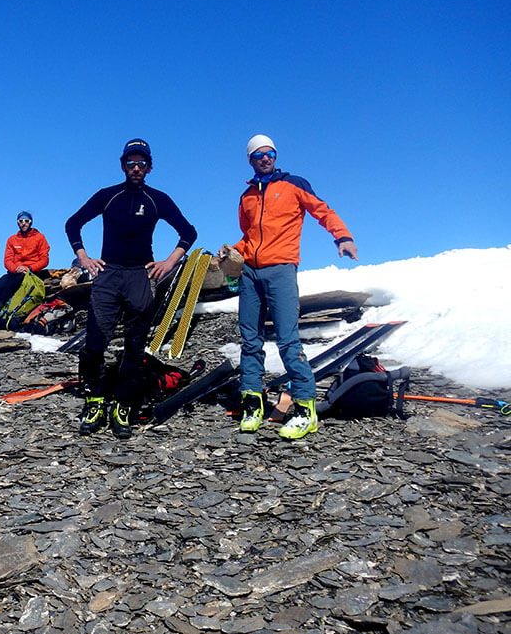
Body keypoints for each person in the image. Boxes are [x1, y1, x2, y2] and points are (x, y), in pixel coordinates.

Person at [217, 134, 358, 440]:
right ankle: (253, 403)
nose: (265, 158)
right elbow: (250, 236)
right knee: (250, 340)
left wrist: (342, 237)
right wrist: (232, 250)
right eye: (258, 155)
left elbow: (323, 211)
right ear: (251, 160)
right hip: (251, 273)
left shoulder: (294, 184)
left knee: (287, 340)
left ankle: (305, 411)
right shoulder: (247, 197)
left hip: (281, 269)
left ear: (276, 155)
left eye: (269, 153)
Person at [65, 139, 198, 439]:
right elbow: (73, 223)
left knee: (135, 346)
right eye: (130, 163)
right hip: (108, 274)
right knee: (95, 341)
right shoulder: (108, 196)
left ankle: (123, 405)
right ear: (122, 165)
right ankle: (95, 400)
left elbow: (188, 232)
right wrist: (84, 258)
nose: (136, 168)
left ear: (150, 167)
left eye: (141, 163)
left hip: (141, 275)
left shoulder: (157, 199)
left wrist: (169, 263)